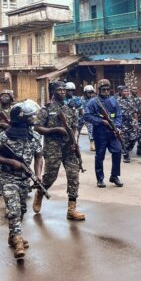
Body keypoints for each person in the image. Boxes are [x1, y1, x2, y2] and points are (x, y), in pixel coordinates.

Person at [0, 101, 43, 259]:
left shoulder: (34, 136)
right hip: (7, 176)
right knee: (13, 209)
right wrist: (10, 162)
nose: (34, 117)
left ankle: (13, 235)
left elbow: (39, 156)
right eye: (31, 115)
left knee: (22, 210)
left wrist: (38, 175)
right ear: (22, 117)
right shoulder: (4, 136)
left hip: (24, 179)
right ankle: (18, 241)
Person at [33, 82, 85, 220]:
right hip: (52, 148)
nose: (62, 92)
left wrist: (75, 141)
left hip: (69, 147)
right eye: (59, 89)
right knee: (50, 176)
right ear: (53, 92)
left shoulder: (70, 109)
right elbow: (37, 127)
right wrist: (55, 130)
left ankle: (71, 209)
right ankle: (40, 193)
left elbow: (74, 126)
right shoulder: (46, 109)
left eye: (64, 89)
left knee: (74, 176)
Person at [84, 79, 124, 188]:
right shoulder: (93, 102)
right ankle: (100, 179)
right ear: (99, 90)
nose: (106, 91)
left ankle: (114, 176)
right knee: (100, 155)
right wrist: (101, 121)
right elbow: (87, 116)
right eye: (103, 90)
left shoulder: (113, 100)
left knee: (117, 151)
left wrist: (118, 127)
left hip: (112, 131)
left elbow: (119, 115)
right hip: (100, 132)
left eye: (108, 89)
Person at [117, 86, 138, 163]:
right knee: (124, 140)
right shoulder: (117, 101)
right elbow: (113, 113)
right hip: (122, 124)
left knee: (134, 138)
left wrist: (135, 121)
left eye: (127, 91)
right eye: (124, 91)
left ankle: (127, 150)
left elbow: (135, 111)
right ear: (120, 92)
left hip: (131, 123)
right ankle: (126, 155)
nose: (126, 93)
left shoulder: (131, 100)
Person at [79, 85, 96, 151]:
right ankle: (75, 144)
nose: (90, 94)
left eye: (91, 92)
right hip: (81, 117)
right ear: (85, 92)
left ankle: (92, 145)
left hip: (89, 117)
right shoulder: (80, 99)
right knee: (76, 130)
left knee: (91, 130)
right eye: (88, 92)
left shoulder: (93, 100)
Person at [130, 87, 141, 156]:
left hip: (139, 119)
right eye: (133, 89)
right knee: (132, 135)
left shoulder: (139, 99)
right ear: (131, 90)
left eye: (136, 89)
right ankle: (127, 149)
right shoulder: (129, 99)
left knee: (140, 135)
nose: (135, 91)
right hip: (132, 120)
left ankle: (139, 149)